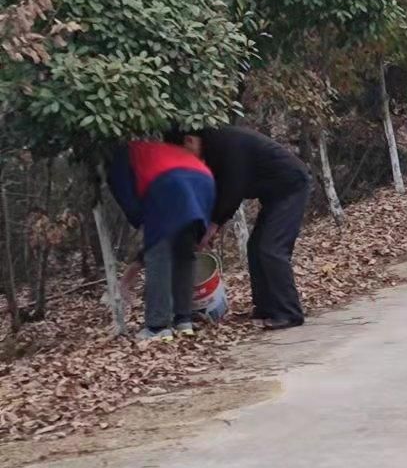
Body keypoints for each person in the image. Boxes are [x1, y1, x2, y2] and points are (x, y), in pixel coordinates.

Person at [181, 126, 312, 330]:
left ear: (189, 141)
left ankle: (289, 312)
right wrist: (210, 225)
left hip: (291, 187)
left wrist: (215, 225)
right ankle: (266, 308)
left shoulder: (227, 145)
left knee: (272, 249)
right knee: (255, 247)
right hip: (275, 194)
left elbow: (233, 190)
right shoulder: (216, 148)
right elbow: (220, 191)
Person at [105, 139, 216, 342]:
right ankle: (183, 320)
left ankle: (157, 326)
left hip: (169, 183)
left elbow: (125, 193)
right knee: (184, 253)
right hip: (204, 181)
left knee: (159, 253)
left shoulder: (120, 155)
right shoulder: (150, 148)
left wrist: (140, 219)